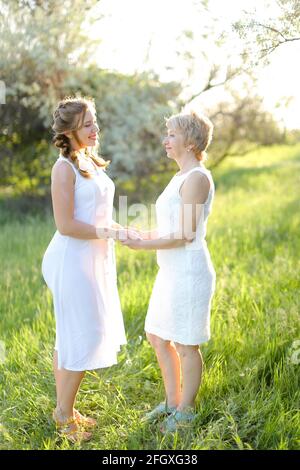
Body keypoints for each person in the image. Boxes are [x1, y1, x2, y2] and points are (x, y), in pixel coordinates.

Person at [42, 96, 138, 442]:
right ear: (69, 131)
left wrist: (120, 229)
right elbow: (66, 225)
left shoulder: (90, 161)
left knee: (69, 334)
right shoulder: (63, 168)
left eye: (94, 121)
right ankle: (64, 417)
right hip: (71, 258)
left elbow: (96, 214)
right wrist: (108, 232)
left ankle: (64, 408)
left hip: (93, 255)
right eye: (86, 124)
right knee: (84, 334)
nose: (95, 128)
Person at [122, 110, 216, 433]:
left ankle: (186, 412)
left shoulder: (198, 178)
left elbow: (186, 233)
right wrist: (140, 235)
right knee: (157, 335)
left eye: (172, 135)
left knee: (187, 344)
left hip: (189, 272)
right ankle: (172, 401)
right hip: (171, 271)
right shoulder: (179, 177)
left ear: (190, 142)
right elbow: (169, 227)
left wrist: (142, 245)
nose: (166, 140)